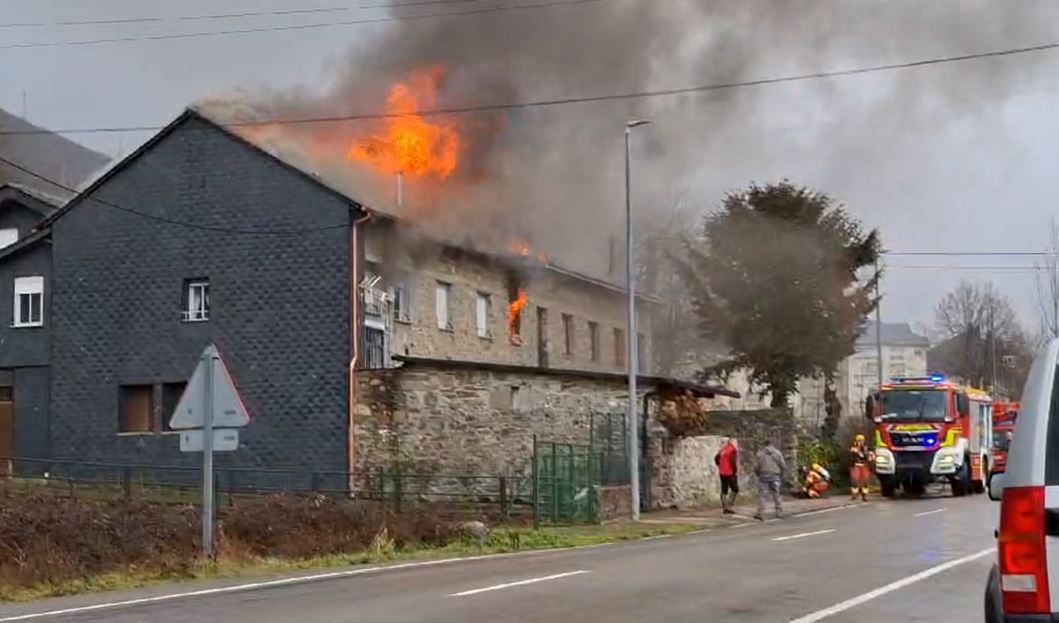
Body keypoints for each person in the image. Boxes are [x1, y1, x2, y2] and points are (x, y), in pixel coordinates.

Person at [754, 437, 787, 521]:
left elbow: (757, 467)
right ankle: (779, 512)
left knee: (762, 495)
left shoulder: (760, 453)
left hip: (764, 475)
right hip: (775, 476)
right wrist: (781, 474)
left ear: (764, 444)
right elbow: (783, 465)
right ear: (772, 444)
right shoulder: (777, 453)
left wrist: (758, 474)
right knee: (776, 494)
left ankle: (760, 513)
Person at [714, 437, 740, 513]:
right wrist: (735, 470)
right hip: (730, 472)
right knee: (735, 489)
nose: (737, 444)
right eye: (736, 442)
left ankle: (725, 507)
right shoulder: (732, 450)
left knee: (724, 490)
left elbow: (716, 458)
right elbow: (733, 461)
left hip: (722, 472)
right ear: (733, 442)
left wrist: (719, 465)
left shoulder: (723, 449)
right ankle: (729, 505)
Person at [850, 433, 874, 501]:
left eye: (861, 440)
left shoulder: (867, 447)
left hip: (865, 466)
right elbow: (853, 454)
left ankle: (864, 495)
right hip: (856, 465)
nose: (860, 442)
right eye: (859, 440)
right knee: (855, 480)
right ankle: (854, 494)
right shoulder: (854, 447)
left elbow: (870, 456)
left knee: (865, 481)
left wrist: (870, 458)